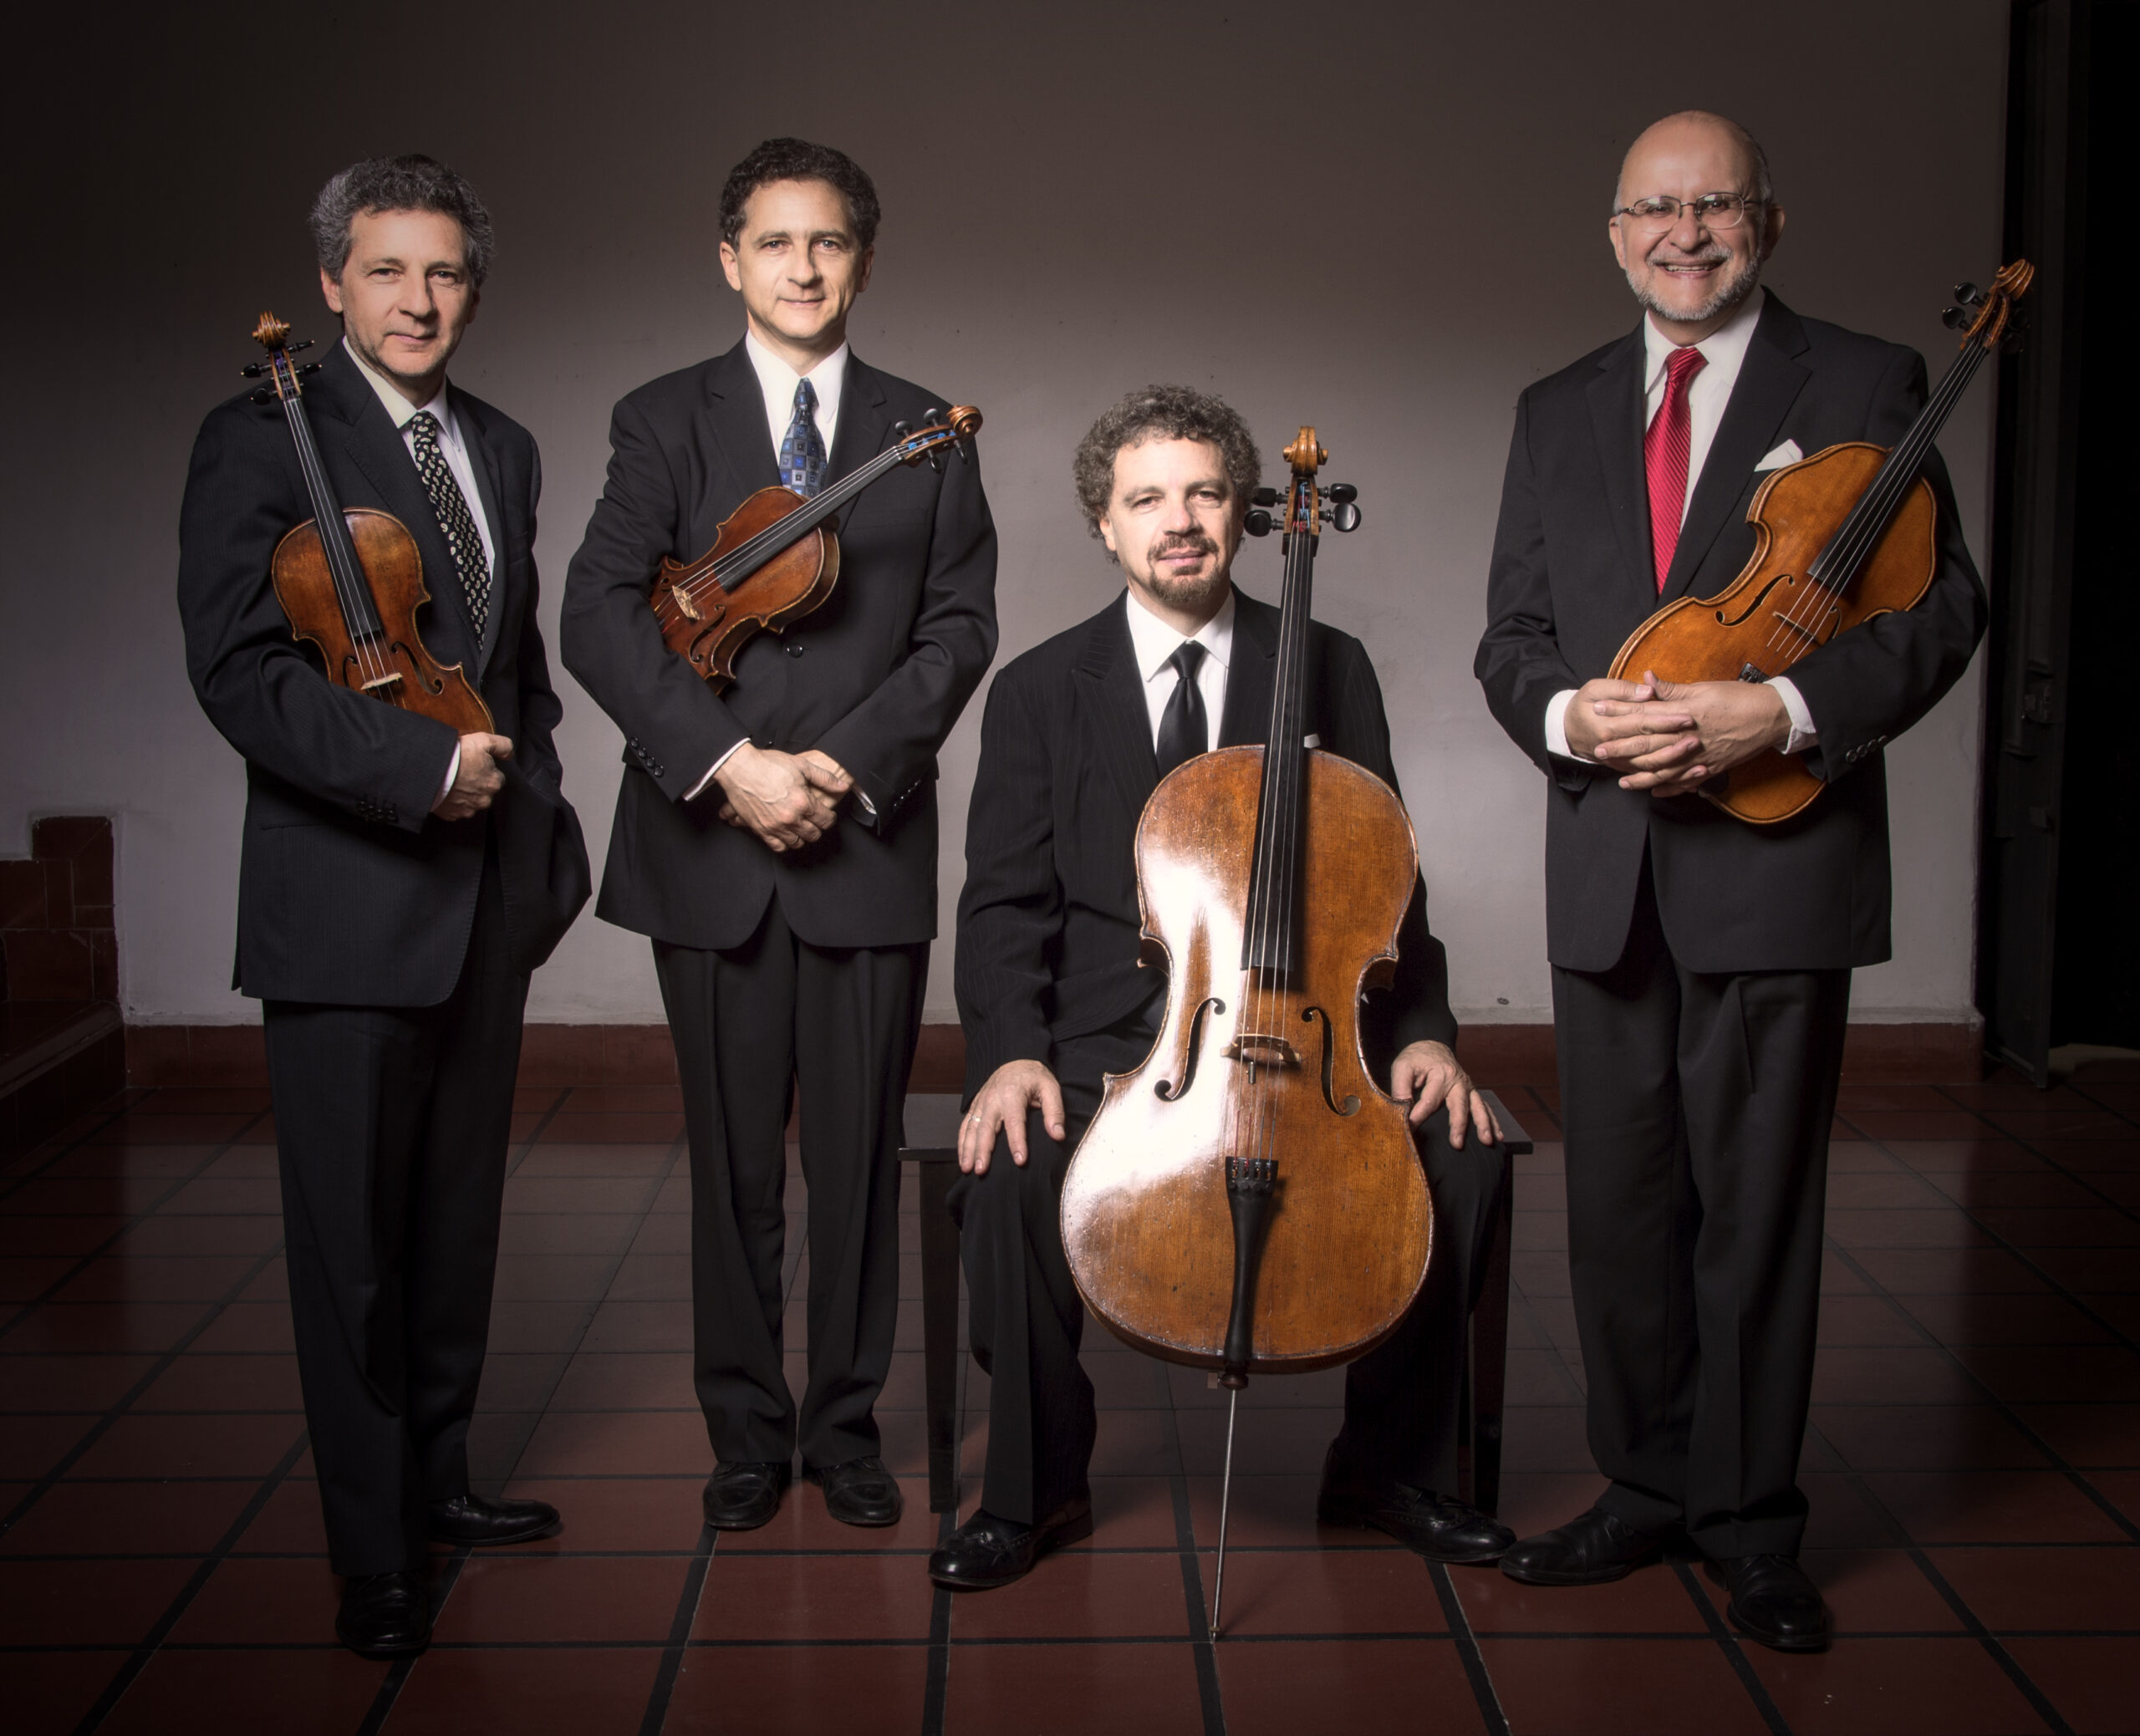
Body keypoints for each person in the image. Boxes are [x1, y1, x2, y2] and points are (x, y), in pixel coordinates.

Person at [1474, 111, 1986, 1652]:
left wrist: (1793, 710)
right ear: (1613, 230)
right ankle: (1645, 1485)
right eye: (1654, 209)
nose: (1683, 233)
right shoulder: (1554, 406)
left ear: (1765, 218)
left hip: (1780, 857)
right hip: (1611, 864)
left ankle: (1753, 1519)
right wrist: (1572, 716)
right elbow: (1512, 641)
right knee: (1624, 1210)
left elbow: (1943, 608)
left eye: (1713, 206)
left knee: (1754, 1206)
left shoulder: (1868, 380)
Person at [934, 384, 1509, 1591]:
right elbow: (1000, 905)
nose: (1178, 518)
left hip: (1308, 1043)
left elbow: (1384, 881)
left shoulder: (1330, 667)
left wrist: (1431, 1037)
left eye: (1202, 491)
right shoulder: (1041, 689)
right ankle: (1037, 1485)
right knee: (1010, 1161)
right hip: (1101, 1043)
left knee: (1460, 1150)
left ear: (1246, 511)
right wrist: (1009, 1051)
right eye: (1147, 497)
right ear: (1106, 522)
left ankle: (1388, 1468)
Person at [178, 155, 591, 1657]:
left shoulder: (505, 445)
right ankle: (374, 1550)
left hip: (485, 893)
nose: (420, 300)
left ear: (472, 288)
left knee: (455, 1219)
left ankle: (440, 1476)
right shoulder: (257, 438)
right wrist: (421, 772)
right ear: (337, 284)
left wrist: (533, 809)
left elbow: (515, 668)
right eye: (388, 271)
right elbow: (240, 672)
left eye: (447, 274)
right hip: (348, 894)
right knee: (347, 1239)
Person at [560, 138, 997, 1535]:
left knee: (862, 1159)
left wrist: (842, 765)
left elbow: (956, 630)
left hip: (864, 843)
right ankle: (747, 1430)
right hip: (711, 844)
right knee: (732, 1160)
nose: (803, 267)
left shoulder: (930, 427)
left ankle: (849, 1426)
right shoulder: (660, 419)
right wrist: (728, 763)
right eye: (775, 241)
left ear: (863, 259)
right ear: (729, 257)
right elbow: (600, 613)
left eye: (829, 243)